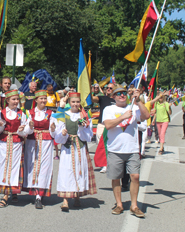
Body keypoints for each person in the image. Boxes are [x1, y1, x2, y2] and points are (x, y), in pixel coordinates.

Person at [102, 84, 149, 218]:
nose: (122, 95)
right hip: (115, 149)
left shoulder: (134, 107)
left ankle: (134, 206)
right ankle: (119, 204)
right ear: (113, 97)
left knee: (135, 176)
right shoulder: (109, 109)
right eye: (118, 94)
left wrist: (139, 101)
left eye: (124, 93)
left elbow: (146, 116)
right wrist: (123, 117)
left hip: (132, 148)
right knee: (116, 178)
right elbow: (108, 125)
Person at [53, 92, 97, 211]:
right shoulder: (64, 115)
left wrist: (83, 128)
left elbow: (89, 137)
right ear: (69, 103)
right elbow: (57, 134)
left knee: (79, 170)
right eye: (73, 102)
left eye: (77, 102)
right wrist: (62, 134)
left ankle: (77, 196)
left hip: (80, 147)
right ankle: (65, 200)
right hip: (67, 148)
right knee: (66, 171)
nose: (75, 104)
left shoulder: (84, 116)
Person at [22, 90, 55, 209]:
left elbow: (54, 132)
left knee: (44, 168)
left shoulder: (51, 113)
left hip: (46, 143)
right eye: (41, 98)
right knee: (32, 168)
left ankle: (39, 196)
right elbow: (26, 131)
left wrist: (53, 129)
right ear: (36, 100)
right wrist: (30, 127)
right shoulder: (29, 113)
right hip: (32, 143)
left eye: (45, 98)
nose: (44, 101)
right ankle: (33, 190)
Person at [0, 89, 26, 208]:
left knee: (15, 167)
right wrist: (0, 125)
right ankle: (7, 193)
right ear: (7, 100)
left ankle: (12, 192)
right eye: (14, 99)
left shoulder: (21, 113)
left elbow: (26, 129)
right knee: (5, 167)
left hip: (16, 143)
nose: (16, 101)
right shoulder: (1, 113)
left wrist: (23, 130)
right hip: (4, 143)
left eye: (17, 99)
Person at [92, 82, 116, 173]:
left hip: (113, 125)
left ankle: (111, 163)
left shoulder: (117, 100)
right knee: (100, 144)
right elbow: (92, 99)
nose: (108, 89)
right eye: (107, 88)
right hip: (102, 124)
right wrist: (91, 91)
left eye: (110, 88)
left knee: (111, 144)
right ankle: (104, 164)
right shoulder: (102, 98)